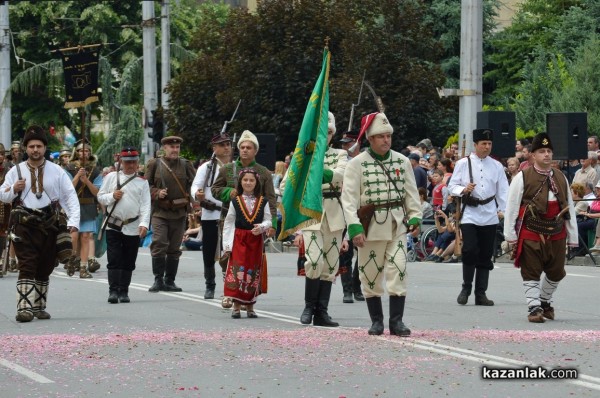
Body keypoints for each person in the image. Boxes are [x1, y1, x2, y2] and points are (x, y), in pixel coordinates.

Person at [341, 112, 422, 336]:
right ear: (370, 138)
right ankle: (377, 321)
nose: (386, 140)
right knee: (370, 274)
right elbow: (348, 200)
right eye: (381, 136)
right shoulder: (356, 164)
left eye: (388, 136)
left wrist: (415, 216)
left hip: (396, 224)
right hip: (370, 227)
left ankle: (396, 321)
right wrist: (354, 227)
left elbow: (411, 194)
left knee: (399, 269)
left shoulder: (402, 161)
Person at [0, 126, 80, 322]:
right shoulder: (15, 171)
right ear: (26, 148)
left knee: (45, 265)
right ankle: (24, 308)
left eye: (39, 146)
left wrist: (73, 223)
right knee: (27, 264)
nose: (35, 150)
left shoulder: (57, 171)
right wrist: (13, 189)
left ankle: (38, 306)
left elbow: (69, 197)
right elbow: (2, 194)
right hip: (24, 223)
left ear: (45, 148)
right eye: (31, 146)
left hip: (50, 223)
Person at [281, 112, 347, 325]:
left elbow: (342, 175)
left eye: (329, 132)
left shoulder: (340, 155)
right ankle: (309, 306)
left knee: (330, 265)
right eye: (322, 132)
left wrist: (316, 174)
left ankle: (322, 311)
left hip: (335, 215)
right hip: (311, 215)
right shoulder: (303, 155)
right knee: (314, 260)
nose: (325, 136)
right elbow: (286, 185)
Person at [504, 133, 577, 323]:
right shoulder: (522, 177)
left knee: (557, 272)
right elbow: (511, 207)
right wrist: (510, 235)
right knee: (531, 270)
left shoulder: (561, 177)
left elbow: (569, 207)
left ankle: (544, 301)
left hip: (557, 231)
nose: (546, 155)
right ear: (533, 156)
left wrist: (573, 235)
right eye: (542, 151)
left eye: (549, 151)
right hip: (531, 230)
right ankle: (534, 307)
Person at [212, 130, 278, 304]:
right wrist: (229, 192)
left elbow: (271, 198)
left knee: (250, 260)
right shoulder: (227, 169)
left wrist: (273, 225)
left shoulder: (263, 172)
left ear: (255, 151)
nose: (245, 150)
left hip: (254, 225)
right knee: (228, 256)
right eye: (242, 147)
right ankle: (229, 293)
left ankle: (247, 295)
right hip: (230, 220)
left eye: (249, 147)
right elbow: (215, 189)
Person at [449, 128, 509, 307]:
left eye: (489, 144)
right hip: (470, 212)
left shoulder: (497, 166)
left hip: (489, 212)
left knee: (485, 253)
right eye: (483, 143)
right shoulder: (463, 163)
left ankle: (481, 293)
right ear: (475, 145)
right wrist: (463, 189)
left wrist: (503, 210)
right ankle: (466, 287)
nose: (487, 147)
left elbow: (503, 190)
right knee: (469, 250)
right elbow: (451, 186)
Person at [97, 147, 151, 304]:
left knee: (129, 260)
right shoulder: (111, 177)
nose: (131, 165)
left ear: (138, 163)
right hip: (113, 224)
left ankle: (124, 290)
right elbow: (100, 197)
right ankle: (113, 291)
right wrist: (112, 196)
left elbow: (146, 205)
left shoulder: (142, 182)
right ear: (121, 162)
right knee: (114, 258)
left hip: (132, 226)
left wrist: (144, 224)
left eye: (134, 162)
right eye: (127, 162)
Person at [145, 136, 196, 292]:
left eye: (177, 147)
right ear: (164, 148)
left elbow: (193, 186)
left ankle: (170, 280)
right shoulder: (154, 164)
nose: (175, 150)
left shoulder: (186, 165)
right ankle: (158, 279)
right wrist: (156, 192)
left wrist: (195, 202)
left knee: (174, 247)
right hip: (160, 212)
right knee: (159, 242)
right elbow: (145, 186)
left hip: (179, 212)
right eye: (171, 147)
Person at [222, 168, 271, 318]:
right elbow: (229, 222)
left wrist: (262, 227)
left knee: (253, 270)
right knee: (238, 271)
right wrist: (227, 245)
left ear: (256, 183)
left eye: (251, 180)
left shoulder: (263, 201)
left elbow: (268, 219)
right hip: (239, 239)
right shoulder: (235, 201)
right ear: (240, 182)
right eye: (245, 180)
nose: (248, 183)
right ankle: (236, 306)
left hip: (255, 241)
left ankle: (250, 306)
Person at [191, 132, 232, 299]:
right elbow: (195, 187)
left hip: (230, 215)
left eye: (228, 144)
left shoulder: (236, 166)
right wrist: (197, 194)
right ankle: (210, 284)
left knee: (229, 250)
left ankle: (229, 285)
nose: (227, 147)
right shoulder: (206, 167)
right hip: (211, 214)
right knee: (209, 251)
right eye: (222, 144)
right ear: (214, 148)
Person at [65, 139, 103, 278]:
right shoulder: (69, 168)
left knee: (86, 236)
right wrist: (77, 176)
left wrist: (86, 180)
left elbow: (98, 193)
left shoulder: (95, 171)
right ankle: (73, 259)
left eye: (86, 150)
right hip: (73, 206)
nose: (83, 153)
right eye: (81, 150)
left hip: (88, 205)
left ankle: (83, 267)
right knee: (73, 236)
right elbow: (67, 188)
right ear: (76, 152)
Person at [338, 130, 363, 303]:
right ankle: (347, 290)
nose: (344, 147)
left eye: (348, 143)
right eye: (344, 144)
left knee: (362, 253)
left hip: (362, 210)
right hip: (343, 209)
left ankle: (357, 286)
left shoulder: (364, 162)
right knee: (346, 253)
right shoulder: (342, 162)